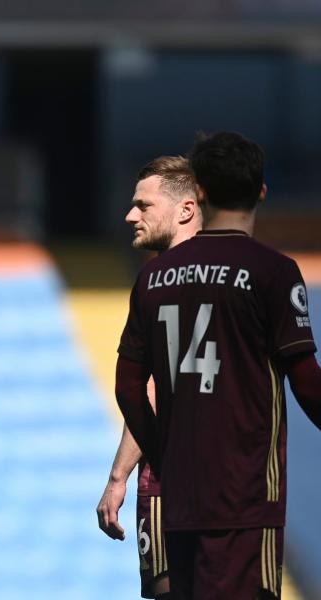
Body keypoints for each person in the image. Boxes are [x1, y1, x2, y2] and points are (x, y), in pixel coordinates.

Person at [115, 132, 321, 599]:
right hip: (246, 497)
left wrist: (163, 453)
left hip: (180, 495)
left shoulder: (153, 276)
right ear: (262, 192)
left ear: (199, 192)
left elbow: (129, 386)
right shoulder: (273, 271)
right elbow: (306, 382)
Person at [96, 156, 200, 600]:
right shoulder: (240, 275)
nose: (130, 216)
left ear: (185, 210)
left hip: (169, 481)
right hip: (239, 481)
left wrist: (119, 476)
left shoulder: (159, 283)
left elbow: (151, 388)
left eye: (143, 205)